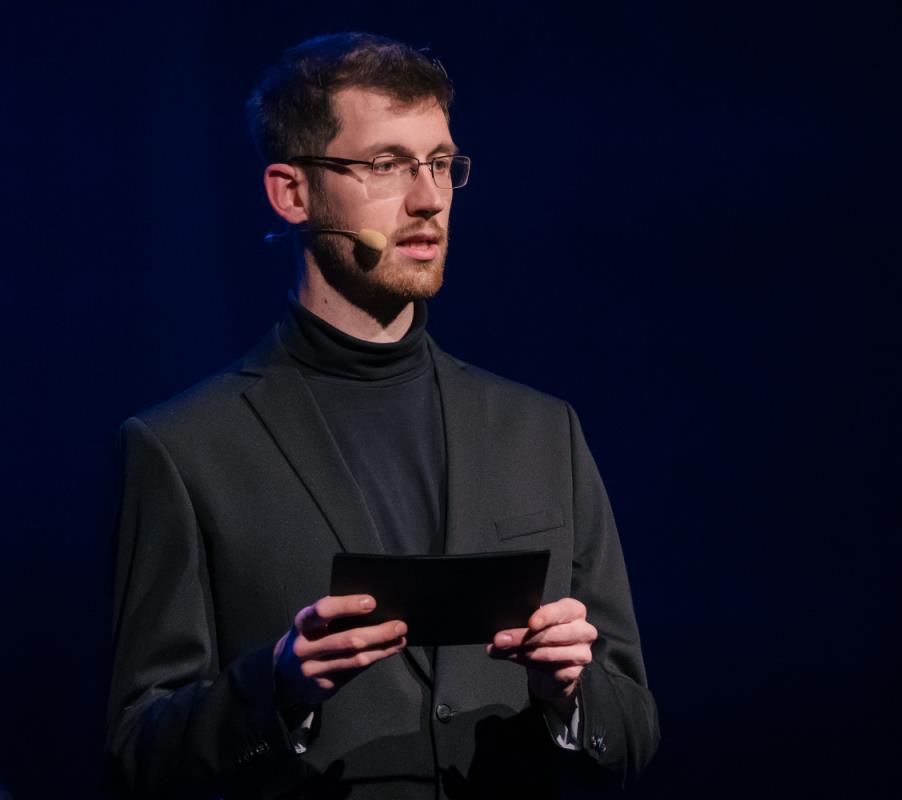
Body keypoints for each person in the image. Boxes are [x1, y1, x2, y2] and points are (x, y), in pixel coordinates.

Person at [105, 32, 659, 799]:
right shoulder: (185, 448)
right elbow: (137, 752)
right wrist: (277, 687)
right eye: (386, 164)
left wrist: (569, 695)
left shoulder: (542, 432)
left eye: (440, 163)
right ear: (292, 193)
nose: (429, 198)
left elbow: (631, 730)